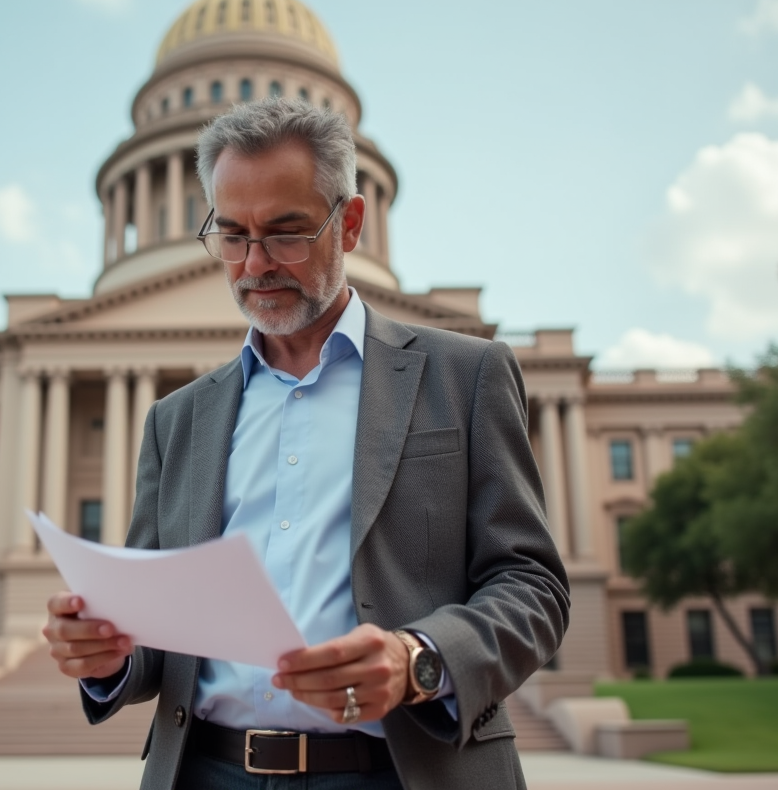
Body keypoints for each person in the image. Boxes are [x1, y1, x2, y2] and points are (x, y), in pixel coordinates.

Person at [43, 97, 570, 790]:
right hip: (208, 772)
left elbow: (533, 586)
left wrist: (419, 658)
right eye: (231, 235)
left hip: (399, 772)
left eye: (287, 232)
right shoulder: (177, 420)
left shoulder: (463, 375)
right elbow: (158, 637)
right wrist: (107, 651)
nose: (255, 263)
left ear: (350, 223)